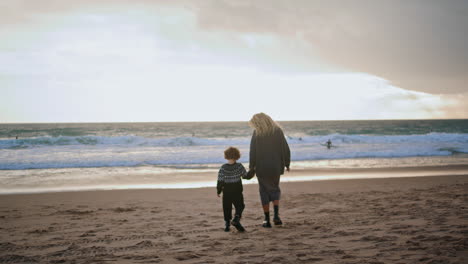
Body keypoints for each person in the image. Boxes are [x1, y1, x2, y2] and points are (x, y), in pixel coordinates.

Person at [245, 113, 290, 228]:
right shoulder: (278, 131)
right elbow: (285, 148)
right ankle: (276, 216)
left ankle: (266, 219)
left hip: (262, 167)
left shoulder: (257, 133)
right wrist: (287, 163)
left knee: (264, 191)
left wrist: (251, 167)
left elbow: (252, 151)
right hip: (275, 166)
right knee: (275, 189)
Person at [217, 146, 247, 232]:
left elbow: (220, 180)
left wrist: (218, 191)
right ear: (237, 155)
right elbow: (245, 176)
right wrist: (253, 171)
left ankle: (227, 225)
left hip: (226, 191)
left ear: (226, 156)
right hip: (237, 190)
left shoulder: (223, 168)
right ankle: (236, 218)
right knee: (240, 205)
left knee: (227, 207)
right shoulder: (239, 166)